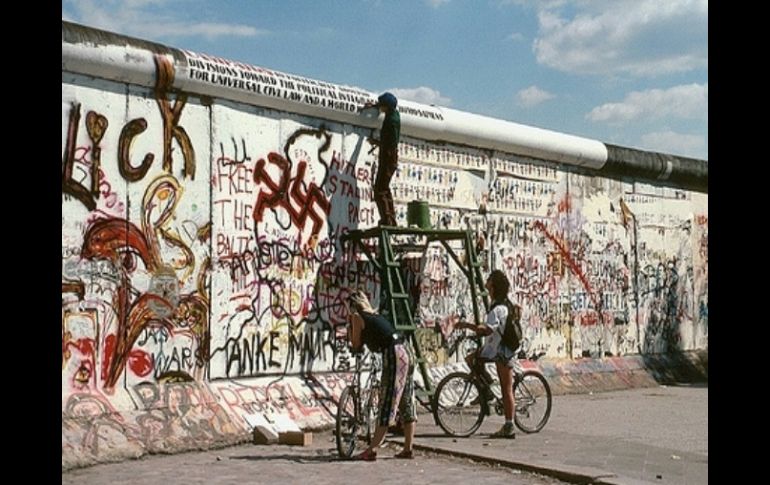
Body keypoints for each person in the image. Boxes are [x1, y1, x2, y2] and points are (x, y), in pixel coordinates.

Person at [346, 289, 416, 461]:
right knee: (406, 399)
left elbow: (356, 343)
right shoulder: (374, 315)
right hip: (405, 350)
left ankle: (372, 449)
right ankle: (408, 448)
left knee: (387, 402)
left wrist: (350, 333)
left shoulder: (357, 316)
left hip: (393, 355)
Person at [456, 269, 519, 438]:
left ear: (494, 285)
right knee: (472, 359)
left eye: (489, 280)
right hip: (494, 347)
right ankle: (487, 390)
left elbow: (486, 329)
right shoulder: (499, 303)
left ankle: (509, 425)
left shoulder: (499, 308)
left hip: (503, 350)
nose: (487, 282)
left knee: (507, 389)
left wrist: (467, 326)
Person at [361, 92, 400, 226]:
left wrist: (376, 142)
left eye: (381, 105)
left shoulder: (391, 121)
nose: (380, 108)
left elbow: (391, 143)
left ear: (386, 106)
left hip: (388, 156)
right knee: (384, 188)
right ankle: (391, 218)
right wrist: (374, 105)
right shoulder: (393, 114)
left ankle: (387, 220)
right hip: (389, 155)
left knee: (379, 190)